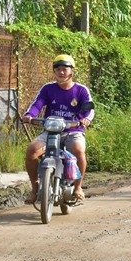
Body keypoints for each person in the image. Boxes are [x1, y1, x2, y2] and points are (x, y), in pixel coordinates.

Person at [21, 54, 94, 204]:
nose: (61, 72)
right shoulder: (48, 88)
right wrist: (29, 115)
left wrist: (85, 119)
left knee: (79, 150)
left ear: (72, 71)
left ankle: (78, 187)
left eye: (65, 69)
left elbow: (90, 109)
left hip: (73, 131)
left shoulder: (81, 90)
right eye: (58, 69)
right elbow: (37, 104)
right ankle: (35, 189)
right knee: (32, 150)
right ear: (54, 72)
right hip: (51, 130)